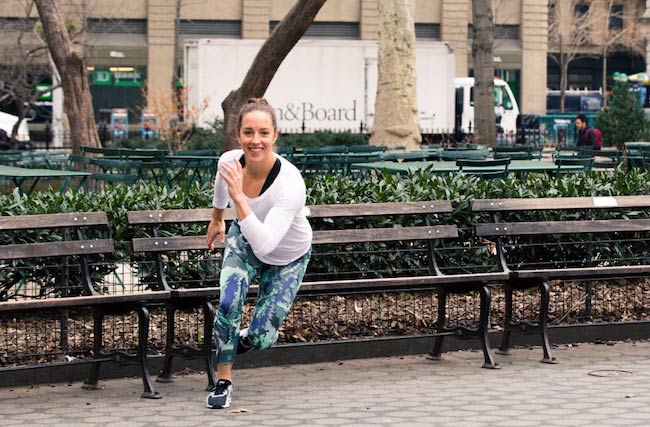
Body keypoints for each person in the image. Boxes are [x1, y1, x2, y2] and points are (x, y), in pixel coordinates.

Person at [205, 98, 312, 409]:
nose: (256, 141)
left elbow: (266, 244)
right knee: (228, 301)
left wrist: (239, 198)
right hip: (244, 242)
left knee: (263, 337)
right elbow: (221, 187)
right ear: (238, 135)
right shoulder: (229, 161)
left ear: (275, 135)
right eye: (248, 133)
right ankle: (223, 381)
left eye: (263, 133)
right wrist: (216, 219)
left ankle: (236, 339)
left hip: (288, 256)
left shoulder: (290, 184)